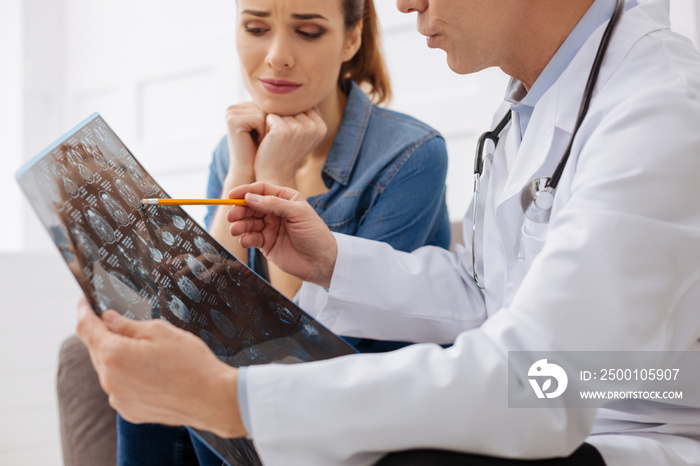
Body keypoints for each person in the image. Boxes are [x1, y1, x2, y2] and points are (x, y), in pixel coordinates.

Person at [77, 0, 700, 465]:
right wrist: (332, 259)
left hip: (636, 415)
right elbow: (485, 295)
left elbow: (543, 381)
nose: (403, 5)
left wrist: (233, 399)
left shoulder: (659, 108)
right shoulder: (531, 107)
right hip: (580, 390)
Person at [60, 0, 452, 464]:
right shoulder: (231, 150)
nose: (277, 55)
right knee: (161, 356)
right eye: (255, 27)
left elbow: (309, 342)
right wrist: (241, 173)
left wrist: (276, 176)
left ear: (351, 39)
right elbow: (198, 299)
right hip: (263, 385)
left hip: (351, 396)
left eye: (307, 32)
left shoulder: (411, 155)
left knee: (218, 368)